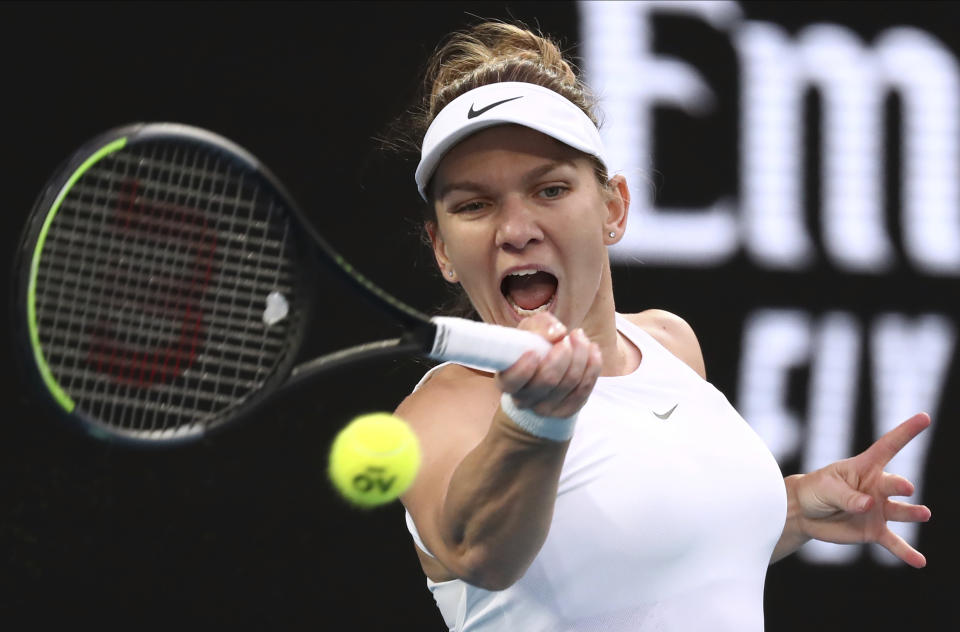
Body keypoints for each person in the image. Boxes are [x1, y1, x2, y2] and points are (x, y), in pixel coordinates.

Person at [392, 22, 932, 631]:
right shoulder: (438, 414)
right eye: (474, 205)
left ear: (613, 209)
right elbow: (481, 555)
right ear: (442, 250)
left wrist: (796, 510)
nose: (515, 230)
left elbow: (645, 551)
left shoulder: (669, 341)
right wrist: (533, 421)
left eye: (549, 189)